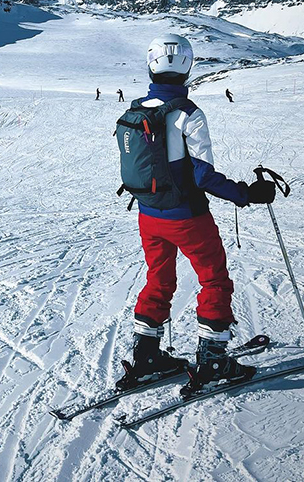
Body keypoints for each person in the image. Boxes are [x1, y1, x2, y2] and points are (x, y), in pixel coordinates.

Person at [122, 34, 276, 389]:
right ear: (188, 67)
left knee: (159, 279)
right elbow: (202, 174)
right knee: (214, 280)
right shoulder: (187, 113)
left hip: (149, 215)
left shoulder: (136, 109)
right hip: (187, 217)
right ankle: (213, 362)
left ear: (150, 66)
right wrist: (245, 194)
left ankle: (146, 357)